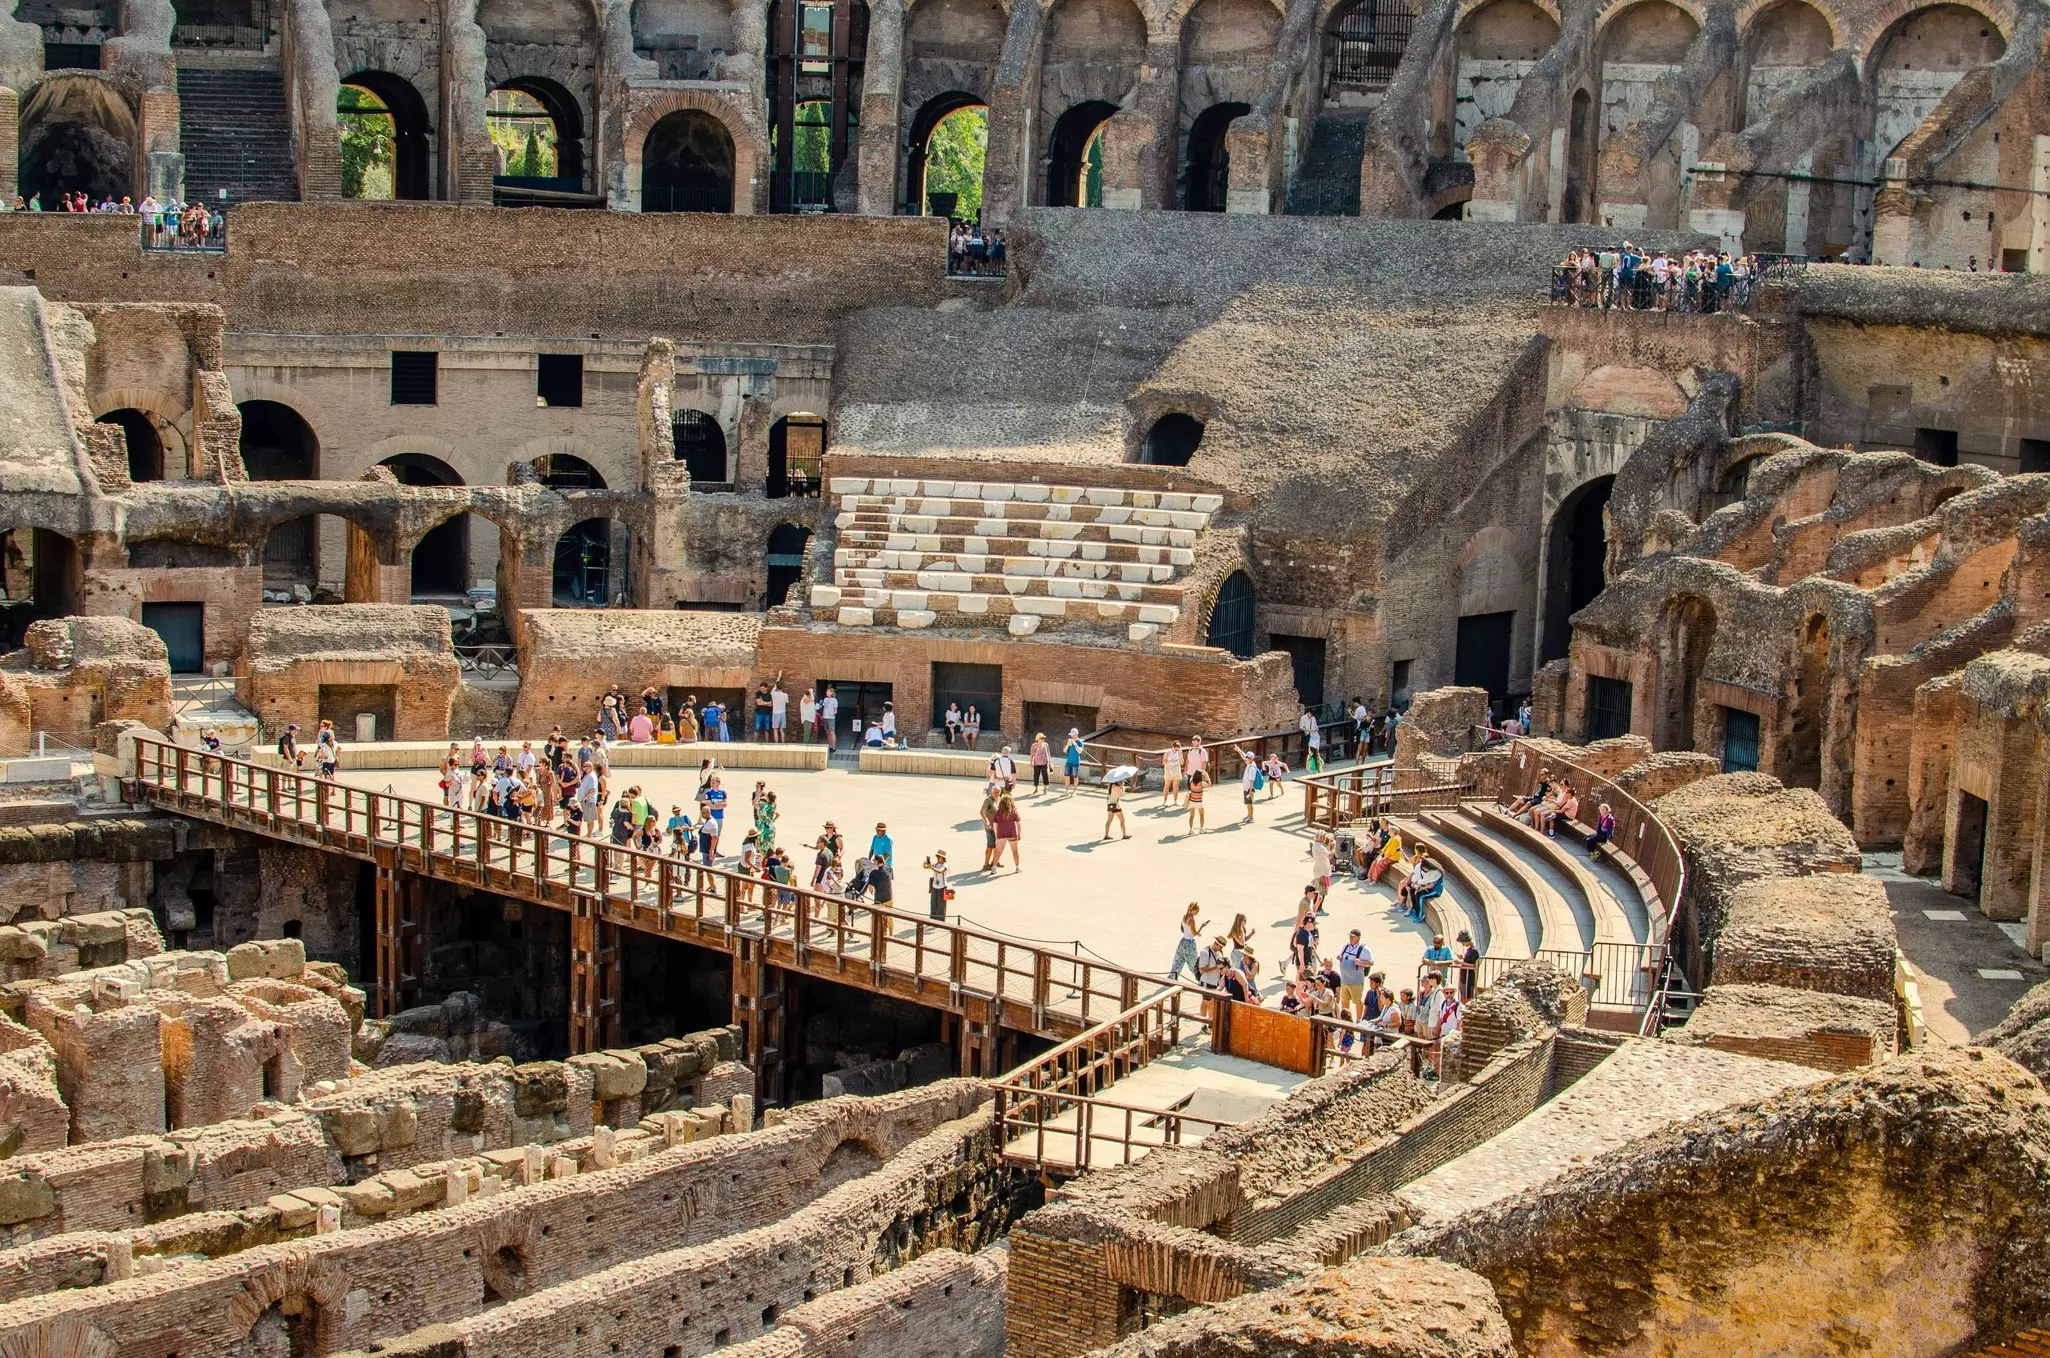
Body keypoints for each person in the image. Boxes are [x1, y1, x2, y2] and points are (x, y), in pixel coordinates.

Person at [1168, 903, 1207, 980]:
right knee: (1193, 963)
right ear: (1193, 910)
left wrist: (1194, 933)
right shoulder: (1191, 920)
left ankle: (1172, 977)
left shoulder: (1184, 917)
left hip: (1183, 941)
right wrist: (1202, 926)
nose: (1197, 912)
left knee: (1178, 961)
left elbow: (1183, 929)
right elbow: (1194, 933)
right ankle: (1200, 980)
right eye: (1197, 910)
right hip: (1189, 944)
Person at [1336, 929, 1371, 1014]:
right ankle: (1345, 1018)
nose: (1350, 938)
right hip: (1344, 980)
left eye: (1353, 937)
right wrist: (1340, 957)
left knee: (1358, 1001)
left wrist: (1361, 962)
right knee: (1344, 1001)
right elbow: (1342, 956)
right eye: (1350, 936)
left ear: (1358, 938)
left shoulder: (1363, 949)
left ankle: (1358, 1019)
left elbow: (1370, 963)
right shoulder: (1346, 946)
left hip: (1356, 981)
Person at [696, 774, 728, 856]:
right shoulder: (709, 792)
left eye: (713, 782)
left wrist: (714, 805)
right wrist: (718, 805)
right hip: (711, 817)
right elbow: (708, 804)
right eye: (711, 782)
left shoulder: (723, 792)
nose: (712, 783)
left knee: (717, 835)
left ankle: (715, 850)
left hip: (720, 816)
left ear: (718, 783)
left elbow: (725, 804)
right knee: (711, 834)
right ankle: (710, 850)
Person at [992, 793, 1022, 871]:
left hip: (1001, 834)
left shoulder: (998, 813)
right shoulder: (1014, 812)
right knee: (1015, 851)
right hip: (1012, 834)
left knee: (998, 852)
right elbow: (1018, 824)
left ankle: (994, 868)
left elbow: (995, 825)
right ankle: (1017, 867)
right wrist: (1019, 834)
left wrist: (996, 836)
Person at [1103, 771, 1131, 840]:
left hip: (1110, 804)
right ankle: (1124, 835)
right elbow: (1121, 795)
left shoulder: (1110, 785)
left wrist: (1121, 787)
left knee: (1109, 820)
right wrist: (1123, 788)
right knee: (1122, 820)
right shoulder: (1116, 787)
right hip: (1116, 806)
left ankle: (1106, 835)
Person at [924, 850, 951, 920]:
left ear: (942, 857)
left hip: (942, 887)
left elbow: (939, 871)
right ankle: (933, 918)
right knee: (933, 903)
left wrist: (930, 867)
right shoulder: (936, 864)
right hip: (934, 887)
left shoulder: (945, 865)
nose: (937, 858)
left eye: (938, 856)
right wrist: (925, 864)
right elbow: (925, 867)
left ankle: (941, 920)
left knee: (941, 905)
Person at [1454, 929, 1480, 1002]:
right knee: (1463, 996)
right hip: (1464, 976)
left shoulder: (1474, 951)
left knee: (1467, 998)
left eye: (1463, 942)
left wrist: (1460, 962)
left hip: (1469, 978)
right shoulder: (1469, 949)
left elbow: (1474, 965)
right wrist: (1463, 958)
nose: (1462, 944)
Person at [1239, 747, 1259, 824]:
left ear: (1251, 759)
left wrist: (1251, 790)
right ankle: (1249, 815)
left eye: (1247, 758)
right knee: (1248, 803)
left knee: (1249, 804)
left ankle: (1251, 818)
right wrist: (1238, 750)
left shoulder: (1252, 768)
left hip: (1249, 788)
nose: (1245, 759)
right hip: (1247, 788)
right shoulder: (1249, 763)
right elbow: (1243, 755)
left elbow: (1252, 780)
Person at [1161, 740, 1184, 807]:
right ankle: (1165, 801)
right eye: (1175, 749)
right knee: (1167, 786)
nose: (1176, 750)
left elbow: (1182, 763)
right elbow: (1164, 762)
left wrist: (1180, 755)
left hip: (1176, 770)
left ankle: (1175, 801)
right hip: (1168, 771)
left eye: (1178, 749)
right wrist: (1169, 760)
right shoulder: (1167, 752)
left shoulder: (1179, 752)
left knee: (1176, 787)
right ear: (1172, 747)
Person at [1185, 769, 1207, 834]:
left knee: (1191, 816)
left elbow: (1191, 777)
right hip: (1199, 802)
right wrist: (1207, 776)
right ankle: (1201, 829)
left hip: (1192, 801)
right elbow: (1210, 785)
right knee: (1202, 815)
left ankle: (1191, 829)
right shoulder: (1201, 783)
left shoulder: (1191, 781)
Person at [770, 676, 789, 743]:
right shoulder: (785, 695)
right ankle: (783, 743)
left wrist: (779, 677)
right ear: (782, 687)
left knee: (775, 729)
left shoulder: (773, 694)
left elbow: (774, 687)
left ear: (776, 687)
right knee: (782, 730)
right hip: (782, 713)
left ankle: (776, 744)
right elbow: (787, 702)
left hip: (775, 713)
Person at [820, 686, 839, 750]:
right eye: (826, 691)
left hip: (831, 718)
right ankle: (830, 746)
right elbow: (822, 706)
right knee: (827, 732)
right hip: (825, 717)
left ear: (831, 693)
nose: (826, 692)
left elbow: (836, 711)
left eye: (828, 691)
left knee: (832, 732)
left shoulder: (834, 700)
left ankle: (834, 747)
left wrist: (833, 713)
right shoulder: (825, 699)